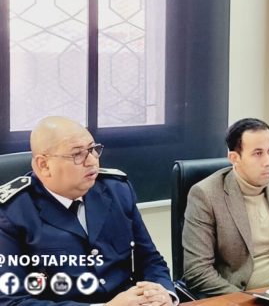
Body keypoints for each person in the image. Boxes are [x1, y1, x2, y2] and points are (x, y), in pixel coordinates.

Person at [0, 116, 175, 306]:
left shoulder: (117, 190)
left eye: (92, 149)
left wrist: (162, 292)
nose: (92, 161)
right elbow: (11, 302)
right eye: (77, 154)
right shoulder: (11, 212)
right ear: (44, 165)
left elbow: (150, 259)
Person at [182, 118, 269, 297]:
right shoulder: (206, 195)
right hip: (240, 296)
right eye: (257, 153)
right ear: (235, 158)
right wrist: (250, 301)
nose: (268, 161)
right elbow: (197, 271)